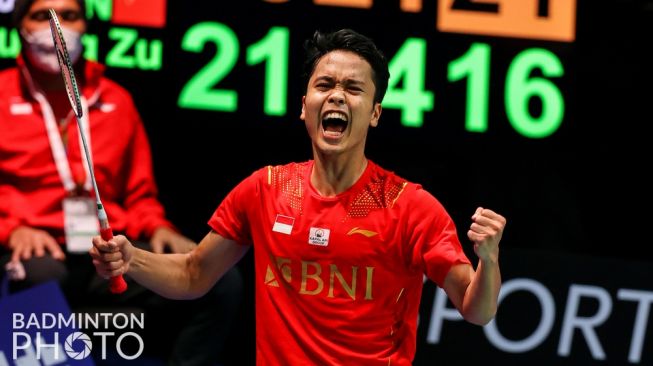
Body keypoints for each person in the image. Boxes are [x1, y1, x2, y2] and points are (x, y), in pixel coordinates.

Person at [91, 28, 506, 365]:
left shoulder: (410, 206)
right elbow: (193, 275)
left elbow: (477, 309)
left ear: (375, 113)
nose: (338, 95)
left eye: (354, 89)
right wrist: (132, 259)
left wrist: (488, 261)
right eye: (325, 84)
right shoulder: (265, 189)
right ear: (304, 106)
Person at [0, 0, 243, 364]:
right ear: (20, 27)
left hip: (107, 249)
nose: (56, 25)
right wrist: (11, 228)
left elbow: (139, 193)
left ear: (85, 25)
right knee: (38, 276)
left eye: (69, 15)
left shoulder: (116, 99)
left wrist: (158, 226)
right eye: (41, 15)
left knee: (219, 280)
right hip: (37, 249)